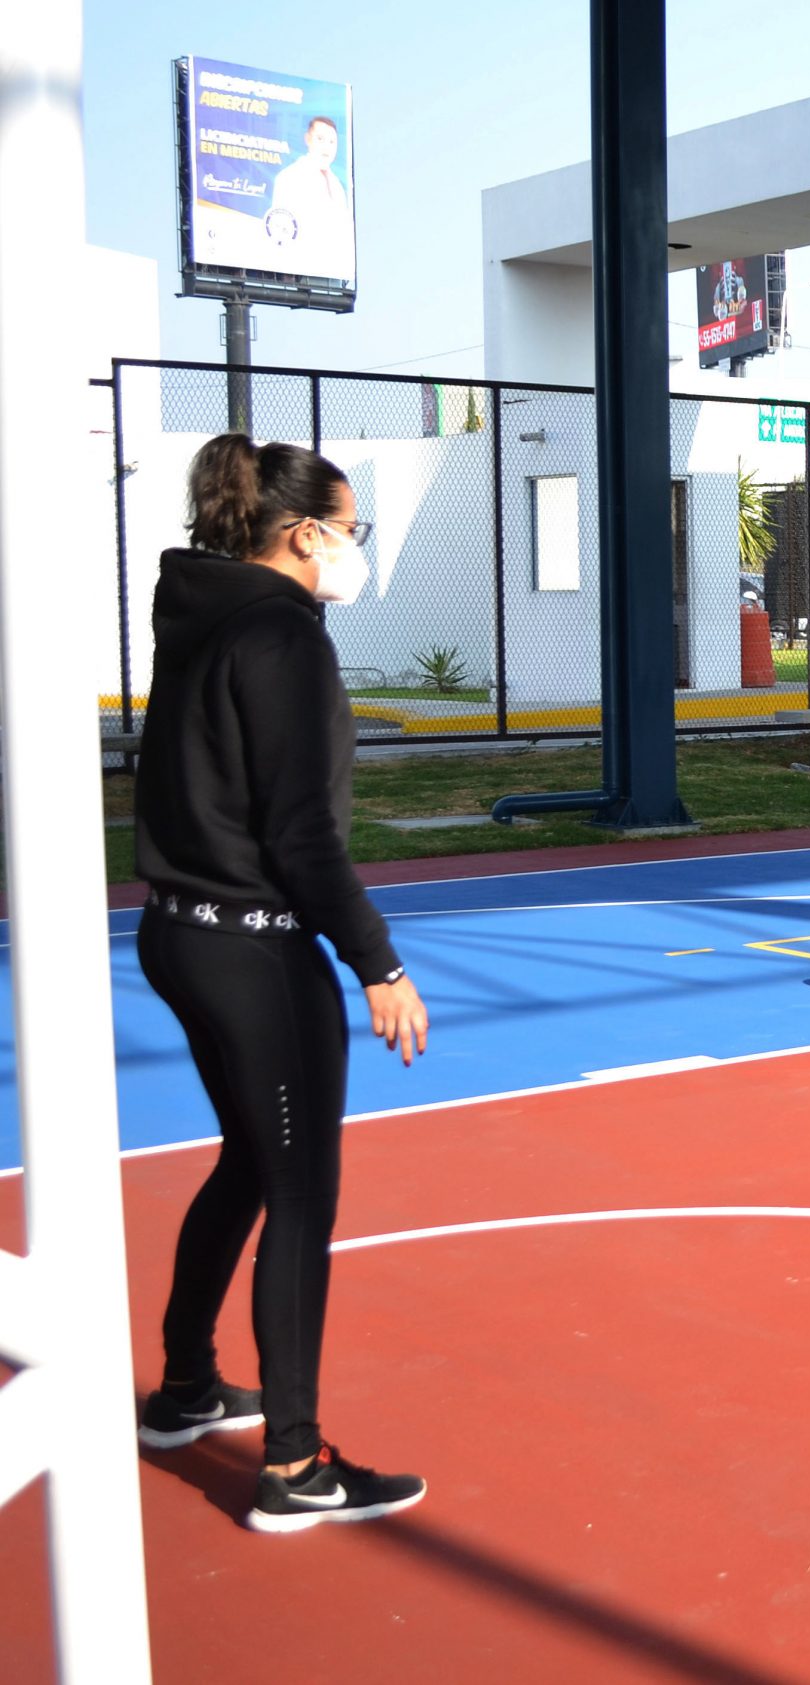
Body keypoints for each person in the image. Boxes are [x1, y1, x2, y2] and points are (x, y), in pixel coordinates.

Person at [131, 434, 431, 1533]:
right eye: (349, 529)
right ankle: (295, 1465)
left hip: (176, 931)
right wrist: (376, 959)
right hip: (254, 948)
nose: (354, 548)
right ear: (303, 533)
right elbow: (302, 833)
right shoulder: (283, 637)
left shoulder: (199, 619)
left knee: (251, 1162)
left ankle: (186, 1388)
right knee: (300, 1193)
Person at [265, 114, 354, 282]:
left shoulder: (337, 186)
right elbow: (279, 228)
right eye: (320, 139)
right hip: (302, 272)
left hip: (332, 273)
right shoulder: (290, 176)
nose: (326, 147)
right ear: (308, 139)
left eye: (332, 142)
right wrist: (287, 274)